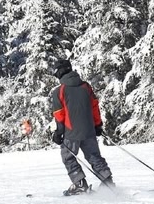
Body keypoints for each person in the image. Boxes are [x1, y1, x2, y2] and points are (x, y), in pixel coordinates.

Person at [49, 58, 115, 195]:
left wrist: (59, 132)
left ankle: (79, 183)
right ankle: (107, 180)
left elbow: (59, 115)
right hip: (89, 129)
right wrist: (97, 125)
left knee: (68, 157)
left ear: (59, 73)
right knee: (94, 155)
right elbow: (94, 107)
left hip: (71, 132)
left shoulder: (59, 91)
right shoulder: (86, 87)